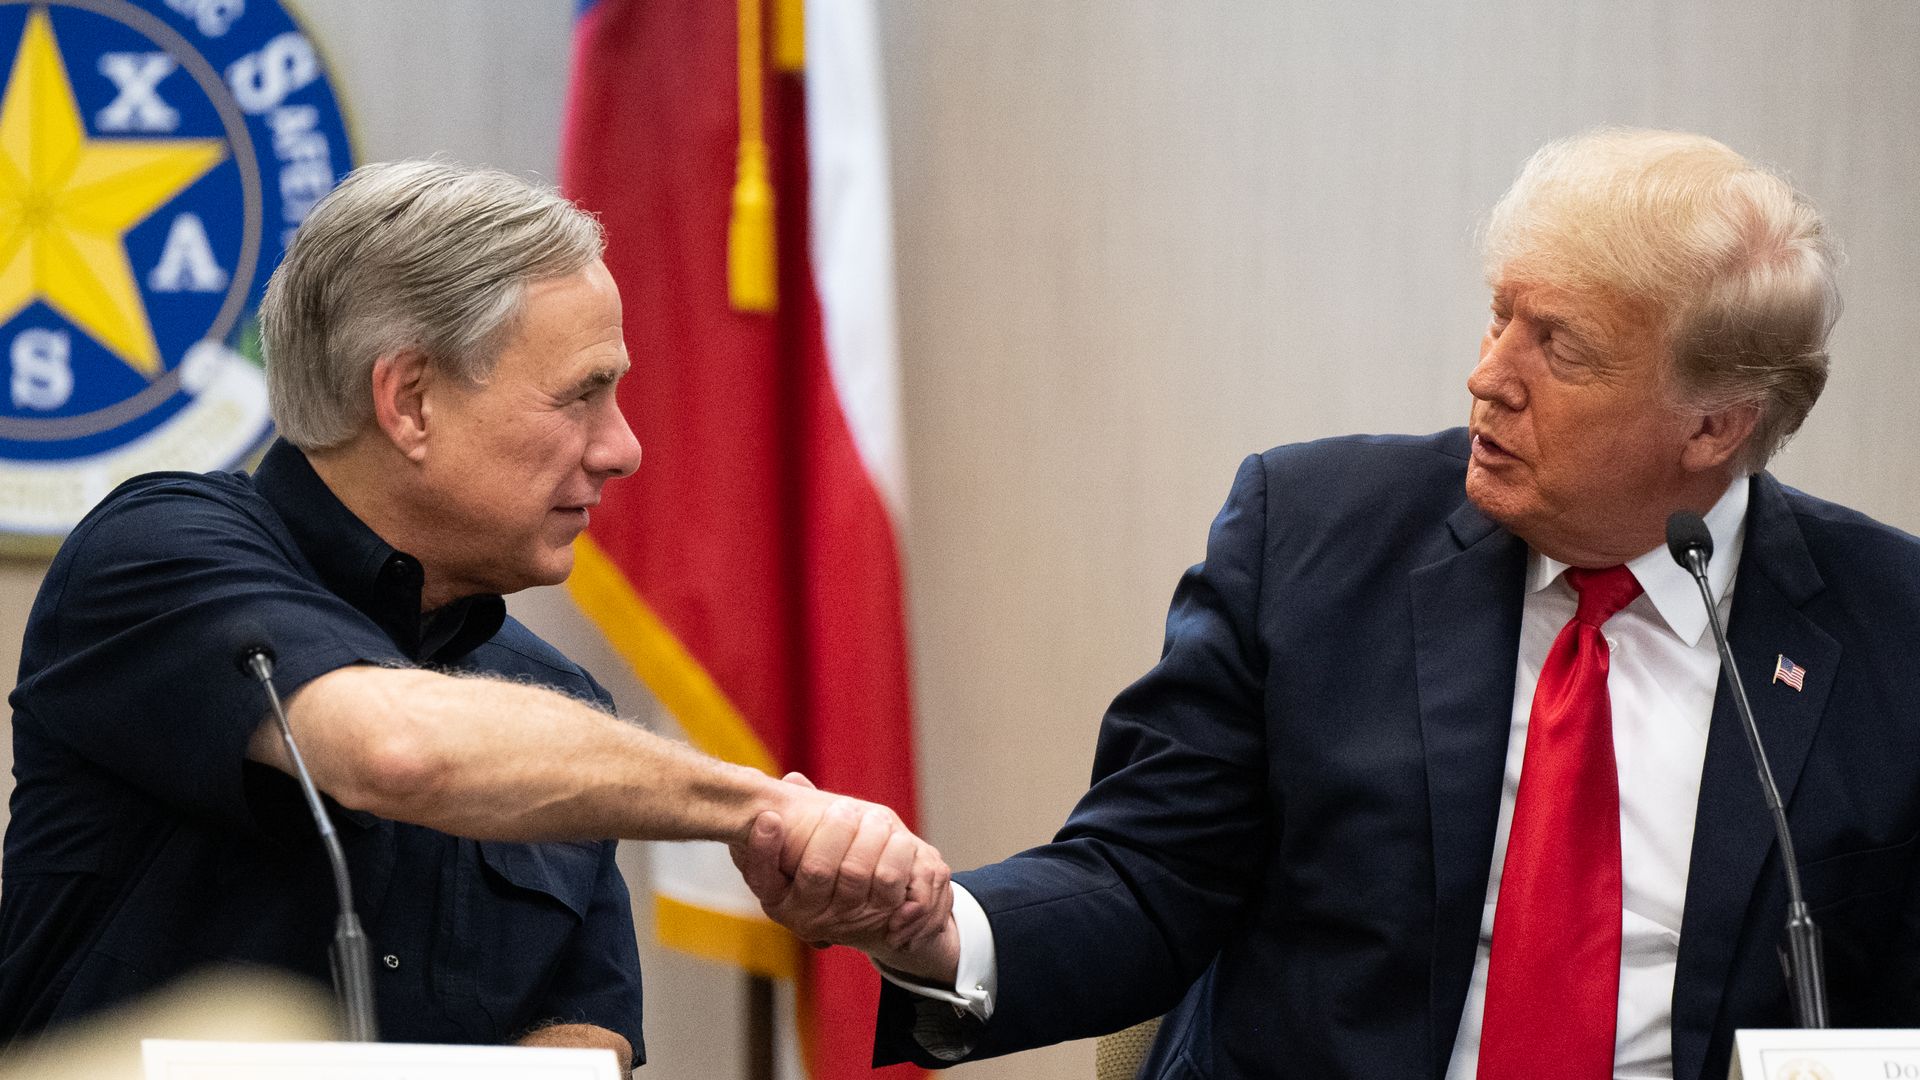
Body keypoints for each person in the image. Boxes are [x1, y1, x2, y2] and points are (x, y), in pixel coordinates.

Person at [739, 129, 1920, 1080]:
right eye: (1498, 312)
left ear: (1713, 426)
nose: (1487, 373)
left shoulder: (1888, 632)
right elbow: (1148, 879)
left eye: (1556, 345)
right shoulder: (1310, 538)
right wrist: (932, 927)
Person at [0, 161, 948, 1069]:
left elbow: (587, 1034)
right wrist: (762, 808)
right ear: (409, 401)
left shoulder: (555, 703)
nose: (625, 449)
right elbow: (397, 749)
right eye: (583, 394)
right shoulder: (156, 549)